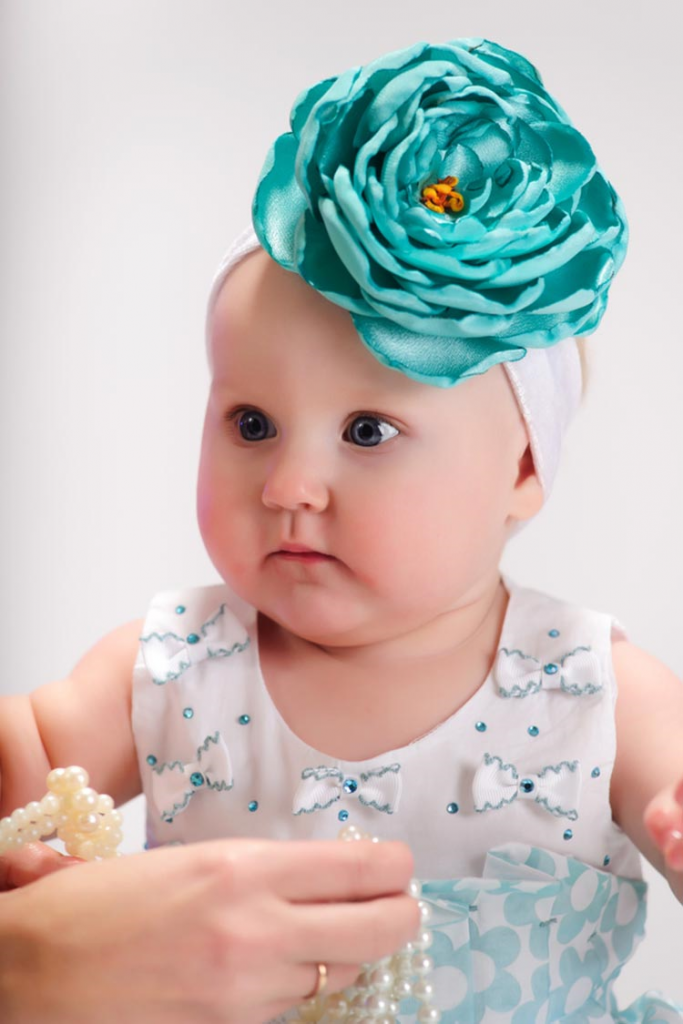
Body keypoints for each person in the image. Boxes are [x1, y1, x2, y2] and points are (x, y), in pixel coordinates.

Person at [1, 35, 682, 1023]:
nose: (287, 484)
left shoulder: (590, 687)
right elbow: (26, 752)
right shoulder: (174, 666)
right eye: (249, 423)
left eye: (367, 430)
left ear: (523, 468)